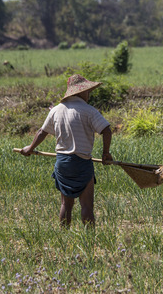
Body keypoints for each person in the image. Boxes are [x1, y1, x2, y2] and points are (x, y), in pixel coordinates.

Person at [20, 74, 113, 228]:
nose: (88, 94)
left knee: (66, 205)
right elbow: (107, 130)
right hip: (82, 163)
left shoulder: (56, 110)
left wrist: (30, 148)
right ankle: (90, 239)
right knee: (87, 206)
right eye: (87, 91)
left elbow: (42, 132)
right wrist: (106, 153)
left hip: (63, 163)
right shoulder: (89, 111)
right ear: (79, 92)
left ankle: (64, 237)